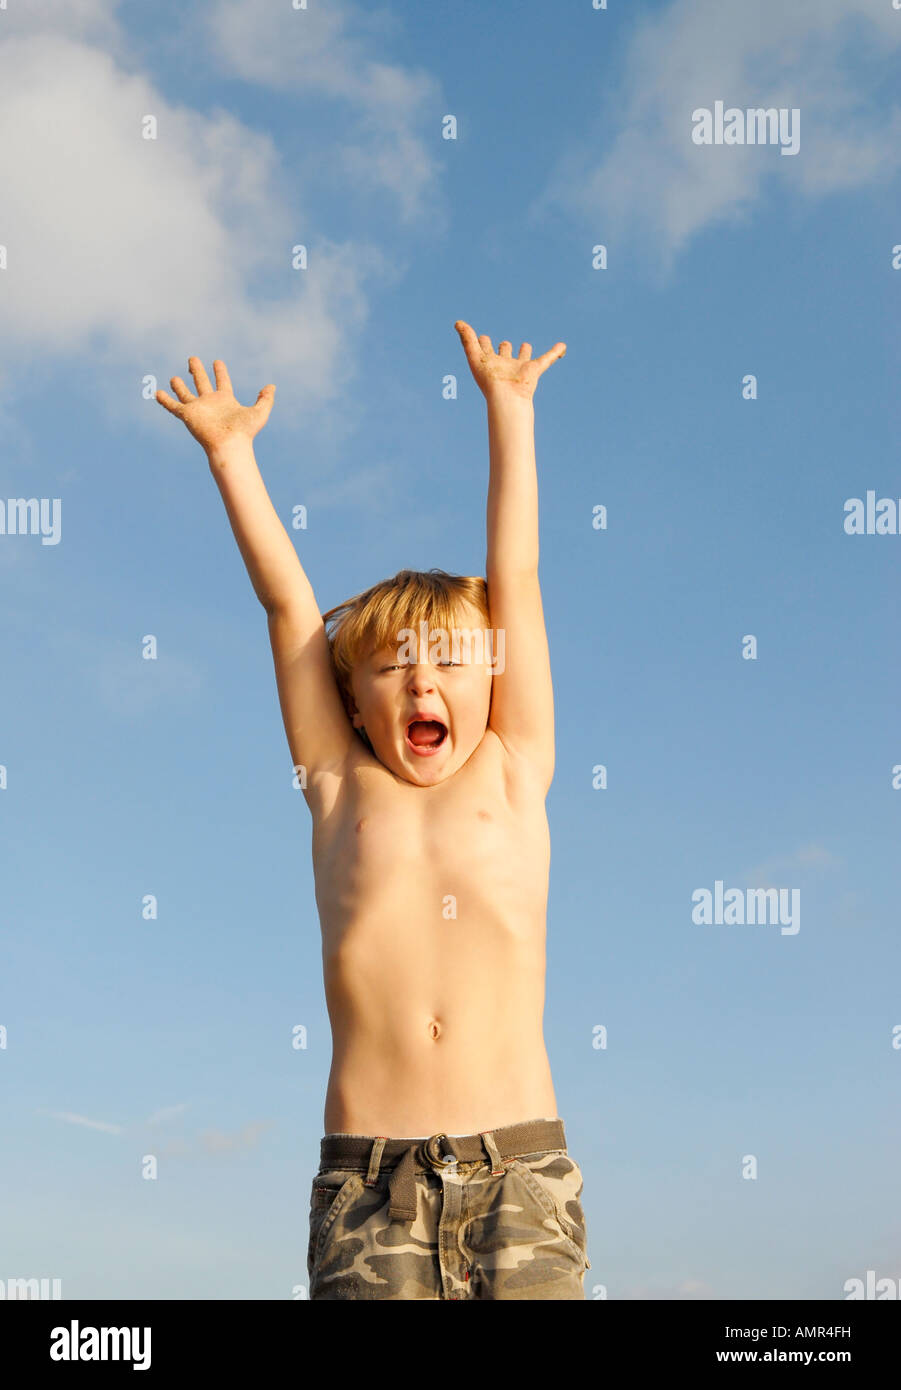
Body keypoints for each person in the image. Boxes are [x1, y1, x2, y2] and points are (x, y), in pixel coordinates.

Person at [155, 322, 590, 1299]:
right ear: (355, 699)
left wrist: (508, 414)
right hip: (367, 1177)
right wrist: (232, 456)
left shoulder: (515, 766)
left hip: (514, 1167)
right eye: (393, 666)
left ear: (492, 685)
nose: (422, 683)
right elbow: (288, 609)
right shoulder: (337, 784)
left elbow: (513, 576)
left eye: (449, 664)